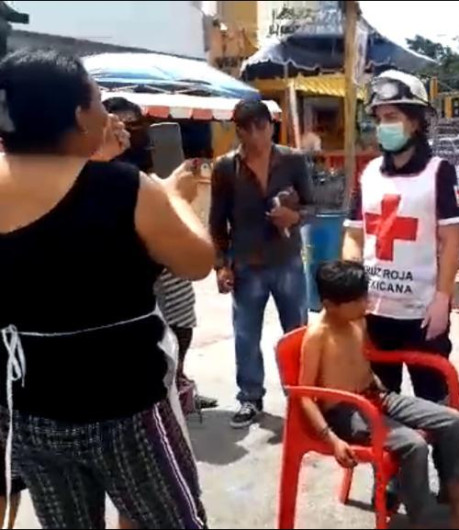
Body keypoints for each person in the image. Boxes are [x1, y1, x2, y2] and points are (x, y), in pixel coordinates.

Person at [0, 48, 212, 528]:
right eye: (97, 102)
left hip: (32, 412)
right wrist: (175, 198)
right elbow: (198, 262)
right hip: (126, 408)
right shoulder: (124, 187)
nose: (106, 114)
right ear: (77, 114)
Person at [299, 260, 459, 528]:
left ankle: (456, 488)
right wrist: (332, 440)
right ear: (330, 304)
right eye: (357, 300)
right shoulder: (317, 336)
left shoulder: (357, 322)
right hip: (347, 413)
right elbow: (304, 395)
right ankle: (422, 518)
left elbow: (361, 360)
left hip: (375, 396)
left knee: (453, 421)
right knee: (413, 446)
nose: (365, 304)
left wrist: (379, 385)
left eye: (364, 296)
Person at [342, 69, 459, 405]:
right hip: (376, 313)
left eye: (392, 117)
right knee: (380, 405)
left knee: (435, 403)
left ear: (414, 122)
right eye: (379, 118)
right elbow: (355, 237)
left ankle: (444, 458)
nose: (384, 126)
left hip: (422, 314)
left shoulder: (438, 172)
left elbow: (451, 240)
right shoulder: (368, 175)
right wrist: (348, 294)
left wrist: (442, 300)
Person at [103, 96, 218, 412]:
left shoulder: (146, 160)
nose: (126, 130)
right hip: (133, 262)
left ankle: (179, 382)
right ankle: (163, 391)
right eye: (118, 122)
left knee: (182, 319)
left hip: (168, 250)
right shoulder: (98, 171)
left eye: (134, 123)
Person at [209, 98, 315, 429]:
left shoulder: (293, 160)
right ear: (238, 131)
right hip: (246, 263)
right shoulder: (226, 167)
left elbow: (313, 205)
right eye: (248, 129)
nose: (256, 136)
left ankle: (301, 397)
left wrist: (293, 216)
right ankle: (250, 398)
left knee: (296, 333)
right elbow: (216, 221)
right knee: (245, 335)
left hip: (286, 261)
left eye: (262, 127)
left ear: (271, 126)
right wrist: (221, 265)